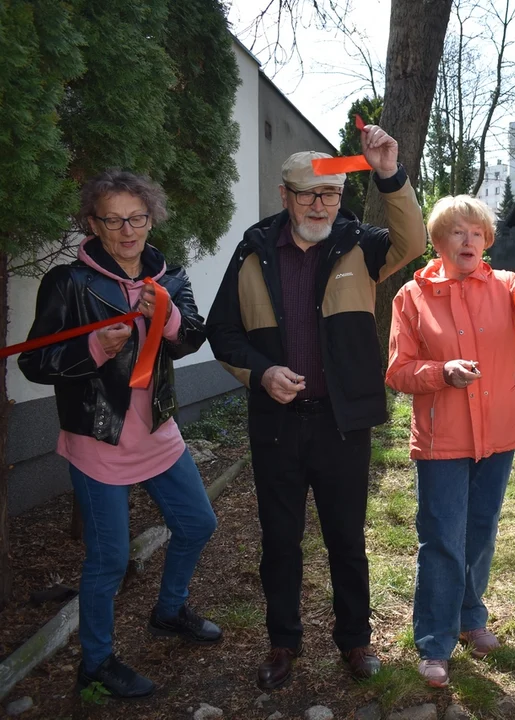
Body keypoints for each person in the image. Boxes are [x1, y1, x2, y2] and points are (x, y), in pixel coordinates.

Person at [206, 127, 426, 689]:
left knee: (347, 540)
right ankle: (283, 643)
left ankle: (354, 641)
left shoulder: (359, 242)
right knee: (280, 540)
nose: (320, 204)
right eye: (308, 194)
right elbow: (223, 331)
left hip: (341, 423)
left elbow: (414, 241)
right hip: (277, 425)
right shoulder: (253, 250)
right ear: (285, 196)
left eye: (329, 194)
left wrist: (389, 174)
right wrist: (261, 373)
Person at [18, 171, 219, 699]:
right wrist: (93, 350)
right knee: (108, 559)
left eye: (137, 218)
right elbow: (35, 363)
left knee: (197, 523)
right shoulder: (69, 283)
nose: (127, 230)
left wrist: (169, 315)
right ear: (93, 224)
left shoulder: (170, 276)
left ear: (151, 219)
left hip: (157, 431)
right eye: (112, 219)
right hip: (98, 440)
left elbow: (192, 336)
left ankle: (169, 611)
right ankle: (96, 662)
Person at [386, 196, 515, 687]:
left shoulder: (506, 286)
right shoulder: (411, 295)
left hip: (498, 433)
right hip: (443, 439)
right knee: (442, 537)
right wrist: (441, 372)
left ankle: (470, 617)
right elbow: (397, 372)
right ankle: (434, 643)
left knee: (480, 531)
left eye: (477, 232)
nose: (468, 240)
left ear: (487, 240)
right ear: (438, 242)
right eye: (457, 232)